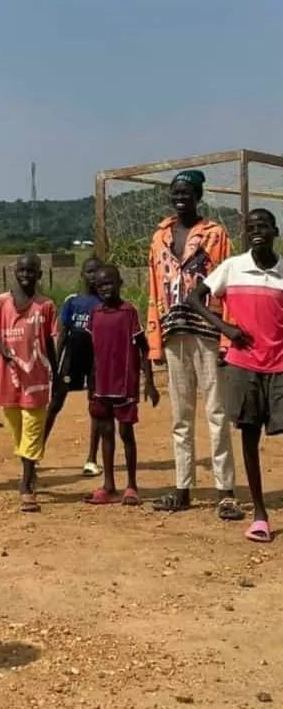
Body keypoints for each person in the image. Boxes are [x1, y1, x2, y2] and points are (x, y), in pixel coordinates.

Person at [146, 169, 243, 521]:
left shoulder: (215, 233)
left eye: (187, 192)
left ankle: (225, 491)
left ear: (198, 195)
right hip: (173, 332)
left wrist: (226, 337)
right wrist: (154, 342)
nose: (180, 197)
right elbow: (154, 288)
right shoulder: (159, 237)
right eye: (176, 192)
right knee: (180, 417)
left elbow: (227, 284)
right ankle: (182, 487)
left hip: (208, 330)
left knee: (216, 412)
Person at [187, 209, 283, 542]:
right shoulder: (232, 267)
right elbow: (195, 298)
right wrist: (225, 327)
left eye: (264, 226)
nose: (257, 232)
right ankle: (259, 514)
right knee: (249, 436)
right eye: (251, 227)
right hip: (244, 367)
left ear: (275, 230)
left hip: (280, 366)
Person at [0, 253, 57, 512]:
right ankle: (29, 466)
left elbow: (49, 342)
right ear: (15, 273)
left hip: (37, 380)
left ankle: (26, 485)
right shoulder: (1, 302)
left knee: (33, 429)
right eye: (22, 270)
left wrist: (56, 375)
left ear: (39, 275)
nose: (26, 275)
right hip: (9, 379)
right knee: (17, 431)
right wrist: (3, 350)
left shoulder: (45, 305)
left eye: (31, 271)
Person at [82, 264, 160, 505]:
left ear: (119, 284)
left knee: (126, 433)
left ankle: (132, 485)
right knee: (106, 432)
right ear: (96, 287)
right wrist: (90, 382)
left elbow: (143, 348)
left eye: (110, 283)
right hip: (101, 385)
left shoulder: (129, 312)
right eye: (102, 284)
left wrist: (150, 382)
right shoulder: (95, 314)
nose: (106, 288)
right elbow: (90, 351)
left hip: (124, 384)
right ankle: (108, 485)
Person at [44, 257, 102, 475]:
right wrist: (56, 365)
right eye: (89, 272)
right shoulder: (72, 301)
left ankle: (91, 459)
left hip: (94, 361)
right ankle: (36, 451)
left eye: (97, 271)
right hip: (71, 359)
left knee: (95, 407)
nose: (93, 276)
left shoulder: (104, 303)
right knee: (55, 403)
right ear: (82, 274)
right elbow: (62, 334)